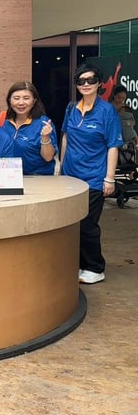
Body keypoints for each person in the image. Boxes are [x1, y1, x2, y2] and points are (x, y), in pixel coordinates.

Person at [61, 64, 123, 285]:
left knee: (87, 224)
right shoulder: (71, 108)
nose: (85, 84)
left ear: (99, 82)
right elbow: (66, 137)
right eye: (81, 81)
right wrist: (60, 167)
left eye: (90, 80)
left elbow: (113, 146)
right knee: (71, 223)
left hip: (94, 177)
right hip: (70, 176)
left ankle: (95, 267)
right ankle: (77, 264)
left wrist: (109, 178)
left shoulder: (107, 111)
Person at [0, 81, 57, 175]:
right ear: (9, 100)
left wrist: (45, 138)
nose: (21, 103)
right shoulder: (2, 120)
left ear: (34, 101)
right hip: (10, 176)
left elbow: (48, 157)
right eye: (16, 98)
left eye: (26, 98)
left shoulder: (44, 123)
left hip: (37, 178)